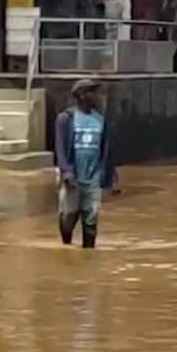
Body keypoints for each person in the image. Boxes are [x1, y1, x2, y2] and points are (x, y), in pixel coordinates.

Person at [55, 79, 115, 248]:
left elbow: (107, 151)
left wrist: (110, 178)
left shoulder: (101, 120)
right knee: (68, 215)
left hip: (93, 177)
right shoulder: (65, 119)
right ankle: (66, 246)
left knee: (91, 215)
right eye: (92, 92)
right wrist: (66, 172)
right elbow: (60, 148)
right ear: (81, 96)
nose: (96, 96)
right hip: (73, 177)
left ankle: (88, 252)